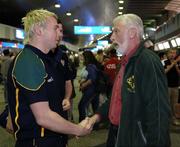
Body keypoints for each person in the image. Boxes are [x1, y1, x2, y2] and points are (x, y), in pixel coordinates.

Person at [7, 9, 91, 147]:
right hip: (38, 141)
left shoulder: (45, 60)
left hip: (53, 139)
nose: (59, 33)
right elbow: (44, 117)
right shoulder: (29, 61)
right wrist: (79, 130)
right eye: (55, 28)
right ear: (40, 31)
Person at [87, 14, 171, 147]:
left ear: (132, 33)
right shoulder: (126, 61)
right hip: (120, 134)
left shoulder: (147, 61)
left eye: (116, 31)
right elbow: (116, 98)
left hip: (137, 138)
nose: (112, 37)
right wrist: (96, 116)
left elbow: (158, 111)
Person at [164, 49, 180, 125]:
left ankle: (173, 119)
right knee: (166, 103)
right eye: (171, 52)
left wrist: (176, 64)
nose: (172, 54)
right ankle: (165, 119)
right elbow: (164, 72)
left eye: (174, 53)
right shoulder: (164, 62)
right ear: (167, 54)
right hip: (167, 86)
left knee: (174, 104)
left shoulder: (178, 63)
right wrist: (173, 63)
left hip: (175, 86)